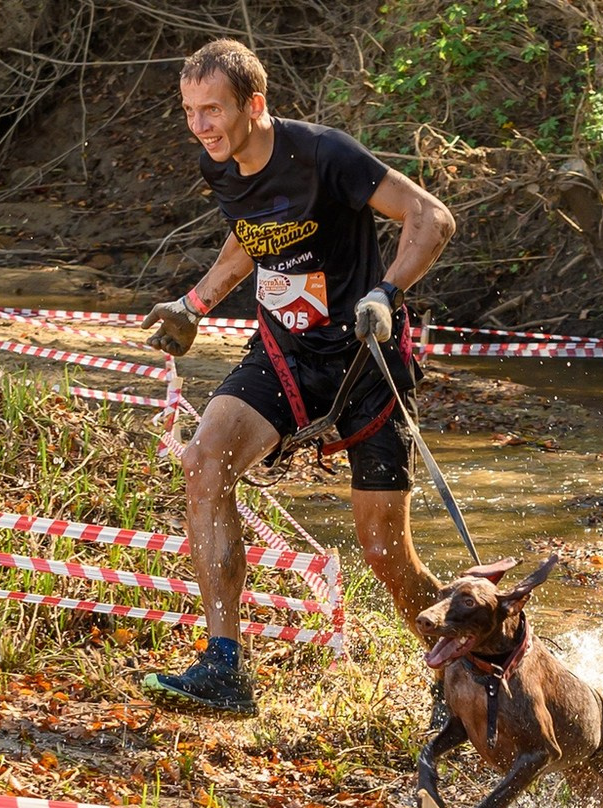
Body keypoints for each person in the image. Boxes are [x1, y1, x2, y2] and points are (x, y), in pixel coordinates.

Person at [138, 37, 455, 716]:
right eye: (190, 111)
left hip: (366, 360)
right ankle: (224, 666)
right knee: (204, 459)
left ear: (254, 104)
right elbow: (252, 233)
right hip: (286, 355)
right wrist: (195, 305)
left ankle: (464, 671)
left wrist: (387, 293)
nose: (200, 126)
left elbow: (432, 216)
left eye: (212, 110)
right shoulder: (219, 164)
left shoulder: (324, 154)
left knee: (384, 552)